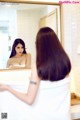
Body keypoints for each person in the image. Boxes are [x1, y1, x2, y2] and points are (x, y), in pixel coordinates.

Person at [0, 27, 71, 120]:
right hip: (64, 117)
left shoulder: (38, 68)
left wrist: (8, 88)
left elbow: (29, 100)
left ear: (39, 45)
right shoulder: (65, 63)